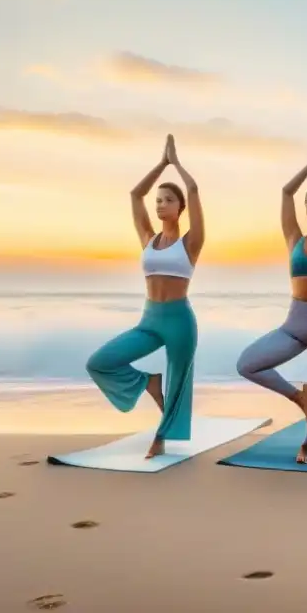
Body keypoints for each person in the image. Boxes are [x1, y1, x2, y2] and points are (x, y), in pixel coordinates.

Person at [86, 134, 204, 458]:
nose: (160, 203)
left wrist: (176, 164)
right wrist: (161, 163)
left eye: (167, 199)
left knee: (179, 382)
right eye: (159, 201)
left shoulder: (191, 242)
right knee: (99, 362)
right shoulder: (148, 239)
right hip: (150, 319)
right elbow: (135, 194)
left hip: (180, 319)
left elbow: (193, 191)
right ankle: (148, 383)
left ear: (180, 208)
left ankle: (161, 437)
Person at [236, 135, 307, 465]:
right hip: (296, 321)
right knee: (247, 364)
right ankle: (299, 397)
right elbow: (287, 193)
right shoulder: (294, 239)